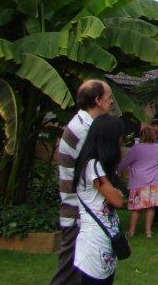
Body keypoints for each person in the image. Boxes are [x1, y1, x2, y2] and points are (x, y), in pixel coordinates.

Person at [50, 79, 113, 285]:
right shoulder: (83, 131)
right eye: (109, 98)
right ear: (98, 101)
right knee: (70, 274)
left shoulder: (85, 125)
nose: (111, 102)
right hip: (79, 215)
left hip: (81, 213)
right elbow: (97, 176)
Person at [73, 114, 125, 285]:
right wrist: (117, 193)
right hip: (94, 244)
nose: (121, 143)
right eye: (119, 139)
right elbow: (118, 200)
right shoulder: (93, 166)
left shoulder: (97, 166)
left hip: (104, 242)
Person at [118, 125, 158, 238]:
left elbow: (126, 162)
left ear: (142, 136)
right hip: (155, 180)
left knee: (136, 208)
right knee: (151, 207)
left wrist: (117, 171)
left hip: (138, 181)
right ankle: (148, 231)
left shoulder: (136, 148)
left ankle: (131, 231)